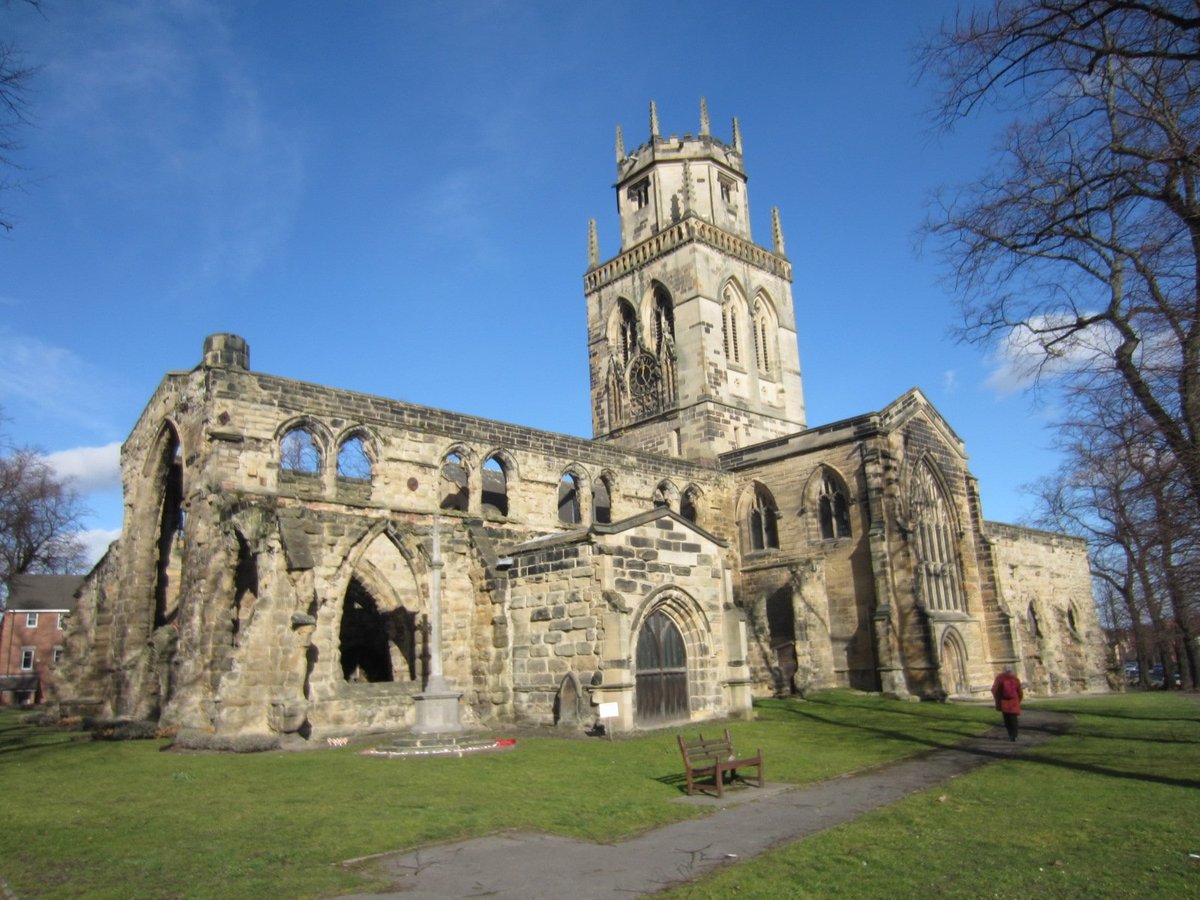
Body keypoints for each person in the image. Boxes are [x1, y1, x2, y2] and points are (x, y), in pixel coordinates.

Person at [991, 666, 1023, 741]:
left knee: (1007, 719)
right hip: (1014, 702)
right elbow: (1019, 691)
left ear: (1003, 670)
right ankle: (1015, 735)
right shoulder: (1014, 678)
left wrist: (998, 698)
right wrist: (1018, 700)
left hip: (1004, 702)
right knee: (1014, 719)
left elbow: (994, 690)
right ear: (1011, 670)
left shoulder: (999, 678)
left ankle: (1010, 734)